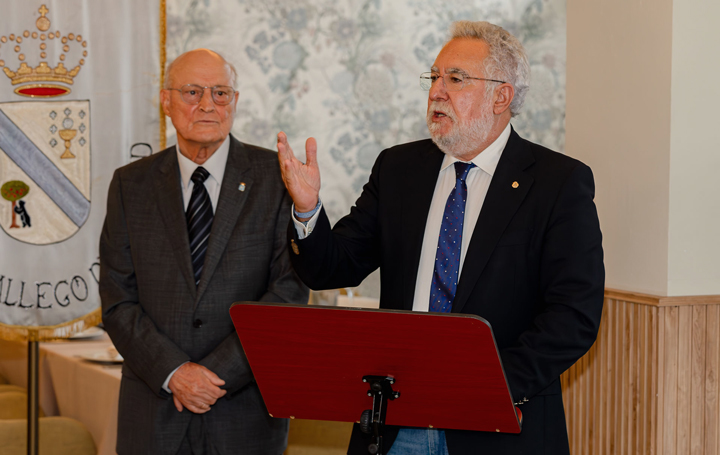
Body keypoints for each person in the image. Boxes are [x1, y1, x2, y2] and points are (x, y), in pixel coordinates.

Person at [277, 21, 604, 454]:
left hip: (498, 429)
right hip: (395, 426)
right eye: (434, 77)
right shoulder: (398, 169)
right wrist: (306, 209)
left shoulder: (558, 183)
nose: (436, 91)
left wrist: (480, 384)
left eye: (456, 79)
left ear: (501, 96)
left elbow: (573, 317)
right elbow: (331, 267)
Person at [100, 49, 309, 455]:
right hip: (154, 410)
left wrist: (215, 374)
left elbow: (287, 293)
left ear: (235, 101)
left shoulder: (278, 178)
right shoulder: (131, 184)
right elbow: (117, 299)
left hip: (245, 413)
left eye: (220, 93)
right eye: (192, 91)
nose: (207, 105)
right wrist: (174, 372)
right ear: (165, 101)